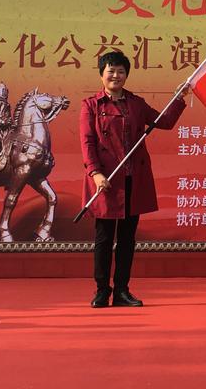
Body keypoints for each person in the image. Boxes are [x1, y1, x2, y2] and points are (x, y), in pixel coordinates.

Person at [80, 51, 189, 308]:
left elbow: (165, 122)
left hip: (132, 178)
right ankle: (101, 291)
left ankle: (122, 291)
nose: (115, 76)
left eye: (121, 71)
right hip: (106, 180)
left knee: (127, 239)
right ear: (102, 74)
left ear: (126, 75)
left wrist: (179, 97)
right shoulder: (91, 105)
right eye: (111, 71)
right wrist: (96, 173)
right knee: (104, 238)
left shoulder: (136, 104)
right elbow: (87, 142)